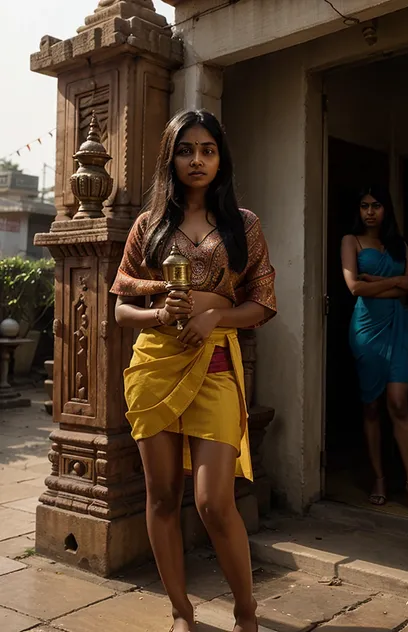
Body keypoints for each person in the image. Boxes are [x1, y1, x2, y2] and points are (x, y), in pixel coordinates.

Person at [110, 109, 276, 632]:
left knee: (213, 501)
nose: (197, 160)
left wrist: (216, 318)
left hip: (216, 364)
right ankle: (182, 612)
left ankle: (246, 613)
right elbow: (119, 306)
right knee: (162, 497)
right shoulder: (149, 226)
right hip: (155, 365)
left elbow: (263, 303)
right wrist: (160, 312)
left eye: (207, 149)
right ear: (171, 158)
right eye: (186, 150)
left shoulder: (243, 225)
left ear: (221, 158)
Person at [340, 185, 408, 513]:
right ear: (358, 210)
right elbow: (354, 287)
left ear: (386, 209)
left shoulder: (399, 245)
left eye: (376, 205)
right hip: (366, 330)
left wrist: (376, 281)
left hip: (399, 326)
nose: (370, 212)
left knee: (398, 402)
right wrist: (394, 282)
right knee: (371, 406)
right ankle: (379, 478)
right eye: (364, 206)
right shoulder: (352, 241)